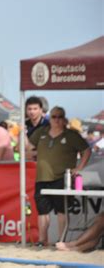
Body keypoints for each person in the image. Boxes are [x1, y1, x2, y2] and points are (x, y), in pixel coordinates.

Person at [28, 106, 91, 247]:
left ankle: (61, 240)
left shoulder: (71, 135)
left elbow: (87, 150)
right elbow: (27, 146)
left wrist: (79, 168)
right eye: (54, 116)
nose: (56, 119)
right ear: (49, 119)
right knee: (42, 211)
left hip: (63, 178)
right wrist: (29, 151)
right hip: (42, 177)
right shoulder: (41, 132)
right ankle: (42, 241)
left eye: (59, 117)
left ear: (64, 119)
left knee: (61, 210)